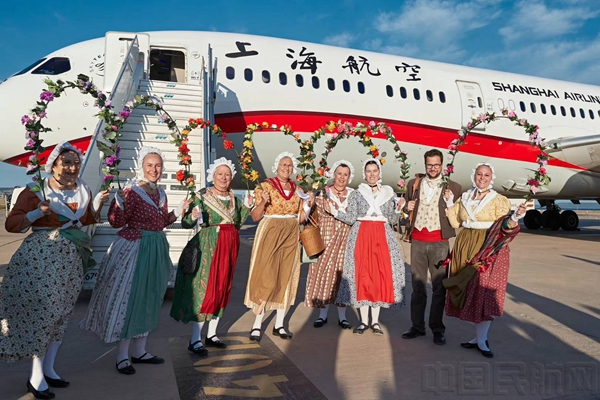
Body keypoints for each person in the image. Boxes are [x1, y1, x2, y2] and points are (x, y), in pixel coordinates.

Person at [1, 141, 109, 399]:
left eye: (76, 163)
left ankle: (49, 369)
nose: (72, 167)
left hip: (71, 260)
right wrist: (36, 213)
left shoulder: (83, 190)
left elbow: (84, 220)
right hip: (41, 257)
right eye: (66, 162)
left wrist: (98, 205)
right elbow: (12, 225)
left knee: (62, 314)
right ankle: (36, 376)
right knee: (46, 313)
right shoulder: (36, 190)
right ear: (53, 165)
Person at [80, 146, 191, 375]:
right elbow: (116, 222)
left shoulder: (160, 193)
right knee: (129, 299)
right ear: (142, 166)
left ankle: (140, 350)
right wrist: (118, 203)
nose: (154, 169)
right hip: (134, 248)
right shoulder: (131, 191)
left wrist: (178, 211)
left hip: (155, 248)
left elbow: (160, 223)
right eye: (150, 165)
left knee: (150, 298)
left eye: (158, 165)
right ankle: (122, 355)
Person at [170, 157, 253, 356]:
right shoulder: (202, 196)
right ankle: (195, 339)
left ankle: (212, 334)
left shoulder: (234, 198)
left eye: (227, 174)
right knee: (204, 290)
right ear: (213, 176)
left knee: (222, 288)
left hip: (229, 247)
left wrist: (248, 207)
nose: (224, 178)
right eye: (220, 174)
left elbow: (237, 223)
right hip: (209, 247)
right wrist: (191, 215)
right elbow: (187, 224)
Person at [443, 162, 526, 358]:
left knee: (483, 291)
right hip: (465, 243)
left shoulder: (499, 200)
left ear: (491, 178)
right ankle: (479, 338)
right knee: (468, 290)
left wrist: (515, 217)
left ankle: (482, 339)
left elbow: (504, 227)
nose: (482, 178)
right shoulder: (465, 197)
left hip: (488, 245)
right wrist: (449, 203)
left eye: (486, 175)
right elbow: (455, 222)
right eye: (479, 174)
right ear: (474, 176)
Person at [326, 158, 406, 335]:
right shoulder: (357, 193)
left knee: (378, 277)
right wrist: (335, 212)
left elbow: (392, 219)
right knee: (362, 275)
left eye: (374, 171)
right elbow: (351, 217)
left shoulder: (388, 193)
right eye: (368, 171)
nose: (372, 174)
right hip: (362, 235)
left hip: (382, 236)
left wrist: (399, 209)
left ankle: (375, 322)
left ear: (379, 173)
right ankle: (363, 321)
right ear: (364, 174)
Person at [244, 152, 312, 341]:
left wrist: (308, 205)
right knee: (266, 275)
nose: (286, 168)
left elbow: (300, 218)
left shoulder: (298, 190)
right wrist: (263, 201)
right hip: (270, 232)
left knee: (286, 276)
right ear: (276, 166)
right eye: (283, 164)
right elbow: (255, 217)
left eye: (289, 165)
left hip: (291, 232)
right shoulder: (264, 187)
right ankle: (257, 323)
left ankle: (279, 324)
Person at [401, 149, 462, 345]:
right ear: (425, 165)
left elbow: (458, 215)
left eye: (436, 165)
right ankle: (417, 326)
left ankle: (437, 328)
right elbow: (406, 209)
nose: (433, 168)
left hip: (439, 242)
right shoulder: (413, 184)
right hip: (418, 241)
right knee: (418, 287)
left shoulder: (454, 187)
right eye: (429, 165)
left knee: (439, 288)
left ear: (442, 165)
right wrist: (406, 208)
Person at [305, 160, 355, 330]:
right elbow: (310, 216)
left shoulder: (353, 196)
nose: (342, 177)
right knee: (325, 276)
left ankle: (343, 317)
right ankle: (322, 315)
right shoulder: (323, 194)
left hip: (346, 241)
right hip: (325, 240)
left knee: (343, 278)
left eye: (345, 175)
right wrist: (309, 203)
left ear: (349, 177)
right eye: (339, 174)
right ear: (334, 175)